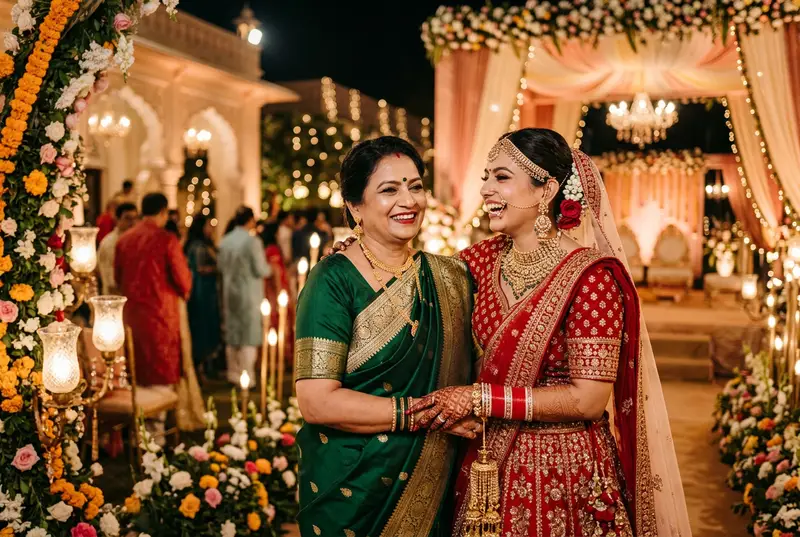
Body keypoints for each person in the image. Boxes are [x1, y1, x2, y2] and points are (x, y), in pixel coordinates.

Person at [406, 129, 691, 537]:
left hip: (564, 469)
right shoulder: (480, 260)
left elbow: (589, 399)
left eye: (501, 177)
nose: (485, 188)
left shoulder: (591, 277)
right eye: (486, 176)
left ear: (547, 190)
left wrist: (478, 397)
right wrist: (363, 252)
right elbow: (414, 288)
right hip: (486, 459)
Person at [294, 136, 479, 537]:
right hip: (351, 488)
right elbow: (316, 402)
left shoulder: (451, 277)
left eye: (415, 186)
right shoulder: (332, 281)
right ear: (355, 206)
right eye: (389, 189)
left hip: (434, 478)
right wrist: (425, 412)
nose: (408, 200)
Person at [115, 193, 193, 436]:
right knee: (160, 375)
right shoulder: (166, 240)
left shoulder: (124, 240)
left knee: (138, 371)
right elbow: (184, 282)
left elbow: (118, 279)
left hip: (131, 319)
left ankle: (139, 433)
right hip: (161, 317)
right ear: (162, 213)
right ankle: (155, 436)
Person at [218, 206, 271, 386]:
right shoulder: (252, 241)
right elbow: (260, 269)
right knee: (249, 333)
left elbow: (220, 266)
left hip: (229, 290)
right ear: (250, 220)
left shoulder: (225, 240)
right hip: (249, 291)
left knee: (233, 332)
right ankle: (247, 375)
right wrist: (272, 268)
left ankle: (233, 373)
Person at [184, 215, 222, 380]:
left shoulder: (204, 245)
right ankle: (200, 368)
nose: (211, 228)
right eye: (209, 225)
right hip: (201, 292)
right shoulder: (198, 247)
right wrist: (217, 269)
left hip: (206, 291)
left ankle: (206, 366)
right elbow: (199, 268)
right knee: (202, 328)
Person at [97, 202, 138, 294]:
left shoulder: (133, 239)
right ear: (117, 219)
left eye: (135, 218)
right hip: (116, 299)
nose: (133, 223)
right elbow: (111, 281)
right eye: (128, 218)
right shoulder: (111, 243)